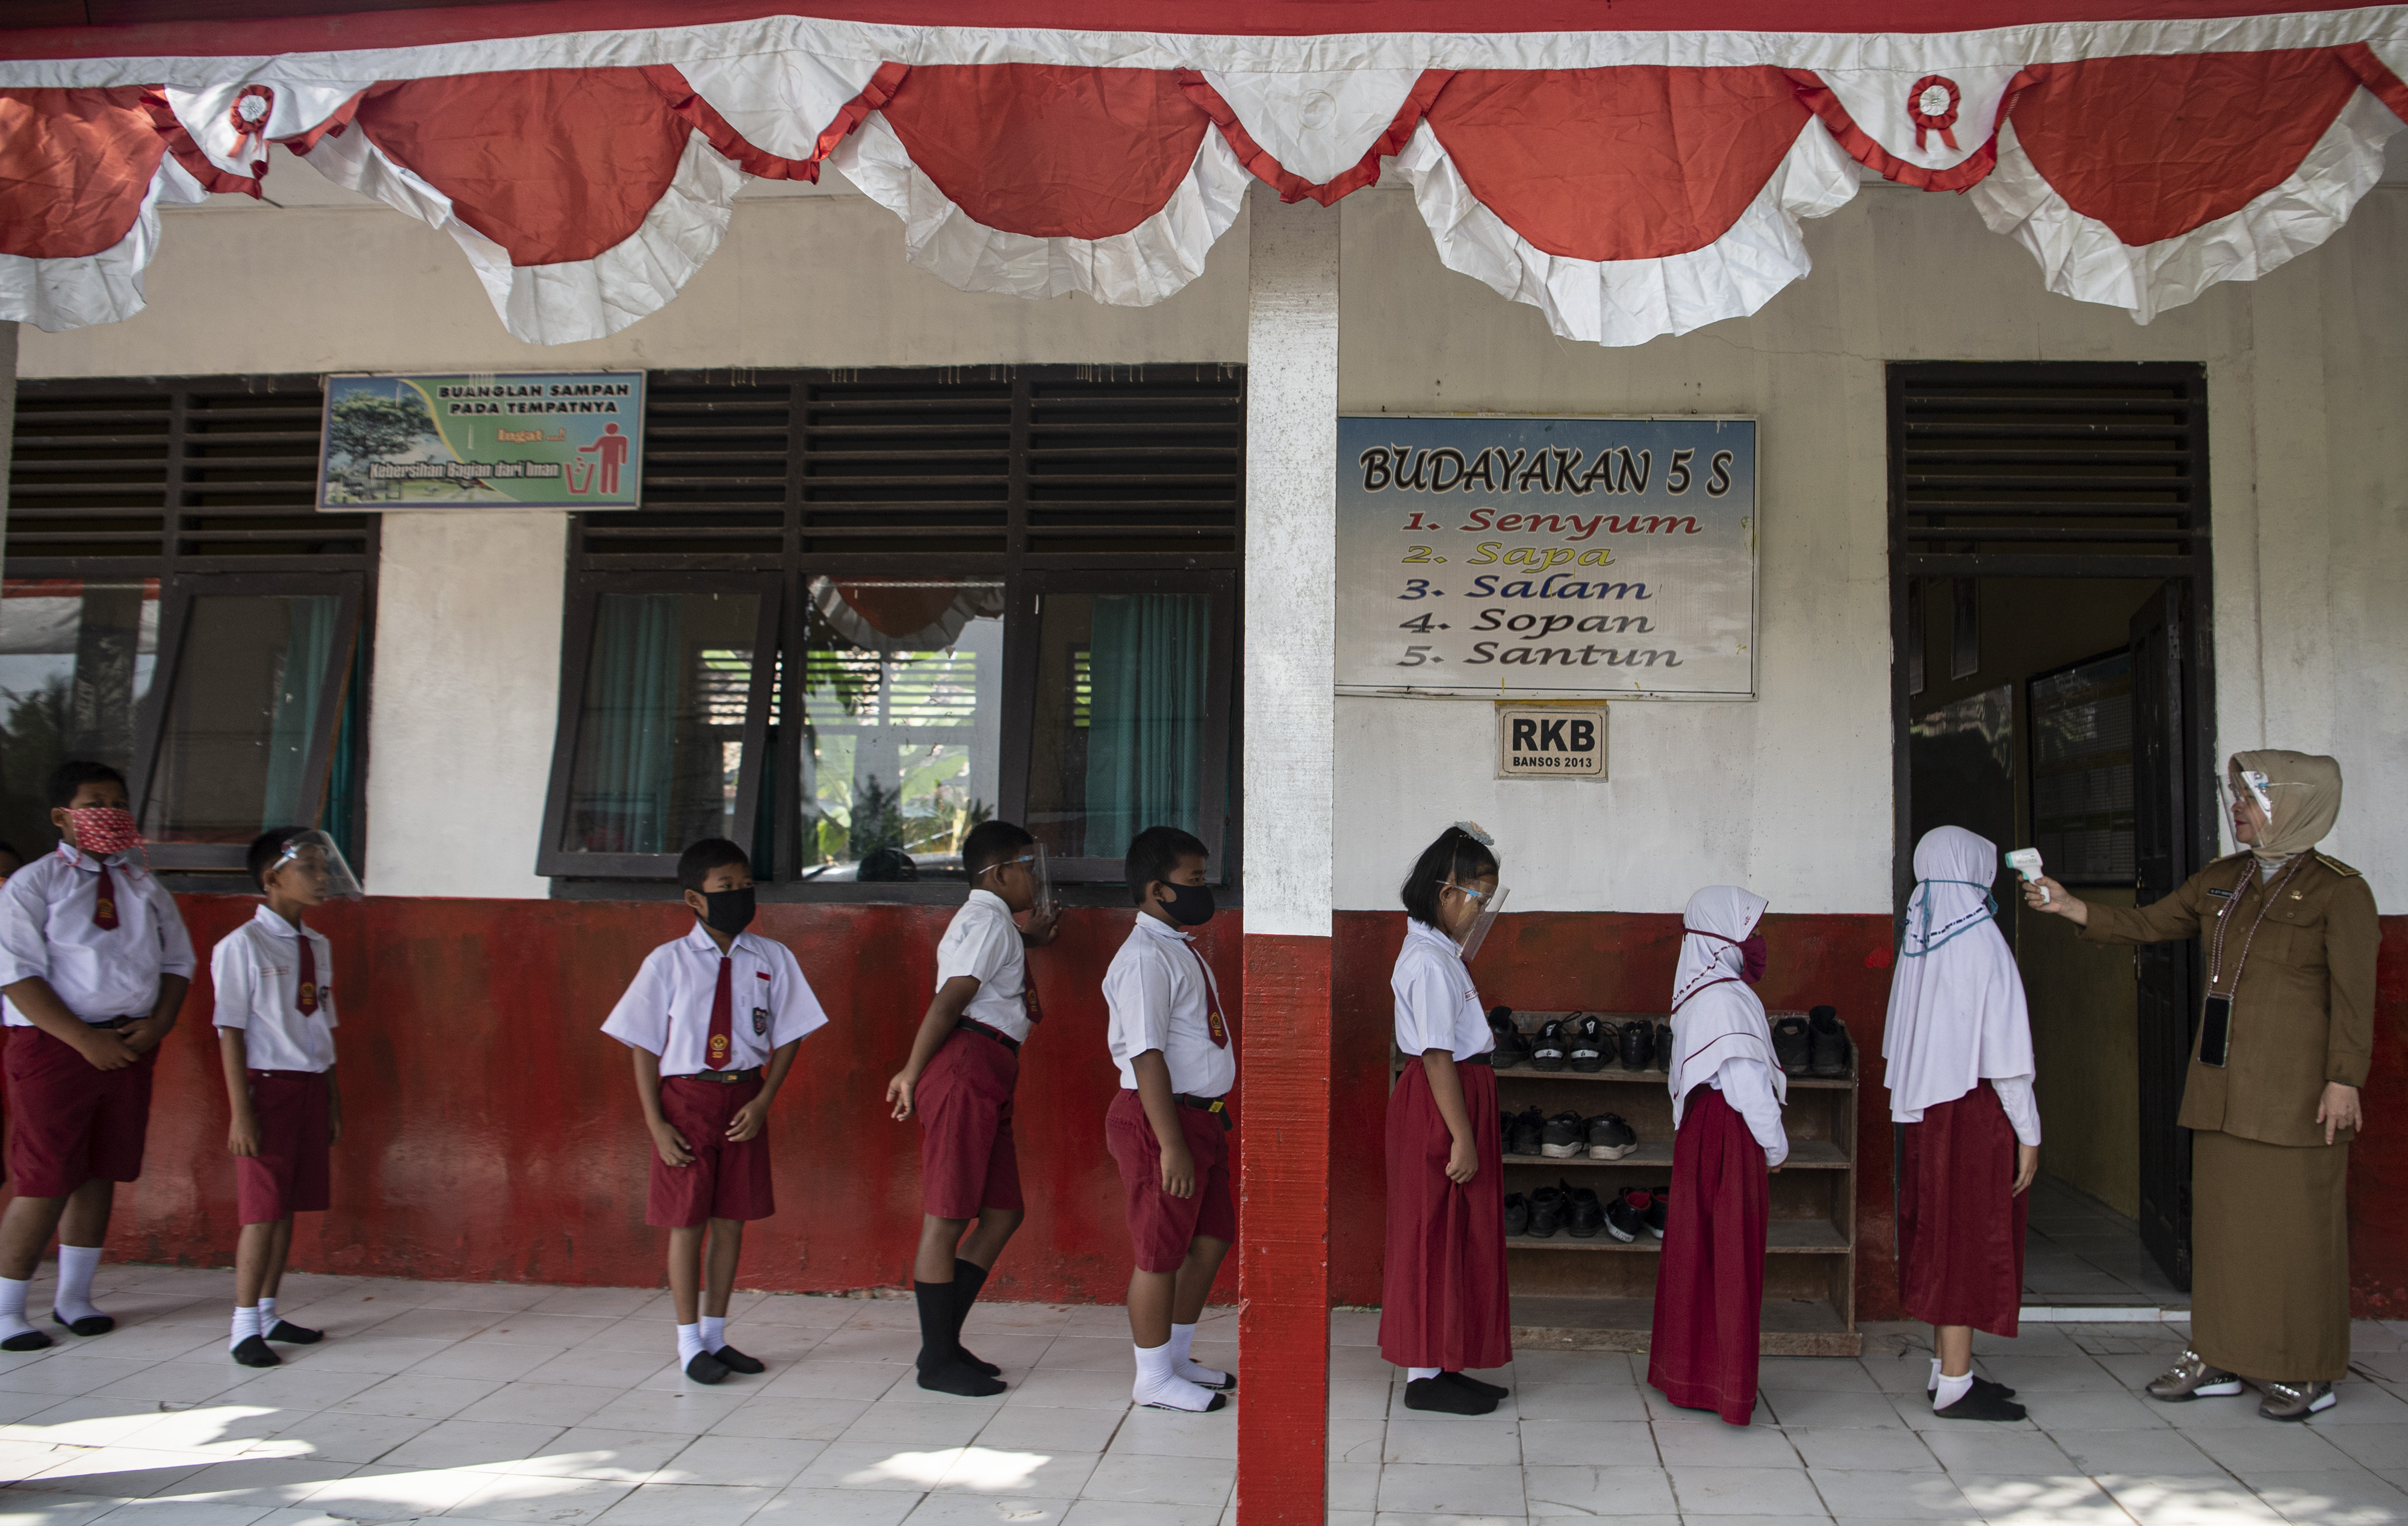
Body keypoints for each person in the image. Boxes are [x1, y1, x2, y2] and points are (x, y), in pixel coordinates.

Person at [2024, 750, 2374, 1421]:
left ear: (2293, 805)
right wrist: (2072, 906)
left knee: (2299, 1233)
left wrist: (2343, 1079)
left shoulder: (2339, 892)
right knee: (2222, 1233)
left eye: (2250, 798)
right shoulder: (2222, 879)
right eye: (2234, 795)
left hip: (2297, 1095)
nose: (2236, 808)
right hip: (2221, 1086)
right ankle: (2218, 1354)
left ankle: (2306, 1368)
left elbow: (2355, 999)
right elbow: (2149, 924)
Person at [601, 837, 827, 1384]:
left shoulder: (772, 957)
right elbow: (643, 1045)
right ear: (694, 898)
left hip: (743, 1096)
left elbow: (792, 1031)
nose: (740, 895)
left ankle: (717, 1335)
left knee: (731, 1220)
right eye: (726, 887)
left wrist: (764, 1099)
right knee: (687, 1221)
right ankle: (688, 1343)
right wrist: (657, 1124)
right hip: (687, 1100)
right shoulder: (667, 962)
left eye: (746, 885)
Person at [0, 761, 194, 1350]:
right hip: (57, 1046)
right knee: (45, 1177)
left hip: (130, 1043)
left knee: (99, 1170)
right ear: (62, 817)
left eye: (118, 803)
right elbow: (17, 974)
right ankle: (7, 1309)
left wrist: (159, 1022)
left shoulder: (143, 884)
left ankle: (75, 1297)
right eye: (94, 803)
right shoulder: (33, 884)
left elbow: (177, 961)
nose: (109, 813)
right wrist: (85, 1040)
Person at [886, 819, 1060, 1396]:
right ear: (1001, 873)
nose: (1036, 878)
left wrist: (1030, 940)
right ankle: (937, 1362)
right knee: (948, 1216)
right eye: (1028, 867)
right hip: (967, 1064)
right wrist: (911, 1071)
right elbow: (951, 999)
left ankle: (942, 1344)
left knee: (1003, 1211)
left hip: (991, 1067)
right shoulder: (988, 922)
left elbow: (991, 971)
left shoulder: (995, 924)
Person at [1885, 826, 2040, 1422]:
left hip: (1930, 1113)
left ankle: (1945, 1371)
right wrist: (2029, 1132)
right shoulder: (1982, 942)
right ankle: (1955, 1382)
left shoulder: (1919, 938)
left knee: (1941, 1231)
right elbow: (2006, 1058)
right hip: (1973, 1111)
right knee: (1967, 1236)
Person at [1379, 823, 1512, 1415]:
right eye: (1479, 897)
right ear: (1446, 892)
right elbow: (1436, 1054)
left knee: (1458, 1231)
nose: (1482, 911)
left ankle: (1445, 1360)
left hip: (1458, 1094)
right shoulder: (1429, 963)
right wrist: (1462, 1136)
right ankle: (1424, 1373)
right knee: (1433, 1229)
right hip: (1442, 1102)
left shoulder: (1441, 954)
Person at [1102, 825, 1236, 1413]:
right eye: (1194, 879)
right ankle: (1152, 1378)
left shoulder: (1176, 947)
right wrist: (1171, 1143)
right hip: (1162, 1120)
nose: (1204, 889)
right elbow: (1146, 1053)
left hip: (1201, 1118)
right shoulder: (1143, 958)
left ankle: (1176, 1357)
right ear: (1158, 889)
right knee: (1159, 1252)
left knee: (1209, 1237)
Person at [214, 827, 355, 1368]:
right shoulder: (242, 945)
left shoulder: (317, 944)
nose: (322, 878)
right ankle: (243, 1325)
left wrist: (332, 1100)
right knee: (261, 1210)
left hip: (309, 1084)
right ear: (272, 878)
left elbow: (322, 1025)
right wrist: (241, 1112)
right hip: (266, 1087)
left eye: (324, 867)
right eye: (309, 868)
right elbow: (230, 1030)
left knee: (288, 1203)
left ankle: (269, 1311)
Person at [1649, 885, 1787, 1426]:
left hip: (1701, 1132)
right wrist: (1775, 1145)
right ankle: (1726, 1386)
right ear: (1723, 935)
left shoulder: (1697, 990)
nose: (1756, 941)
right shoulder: (1727, 998)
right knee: (1731, 1256)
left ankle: (1688, 1375)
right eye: (1748, 930)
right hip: (1731, 1131)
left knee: (1698, 1254)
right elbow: (1748, 1085)